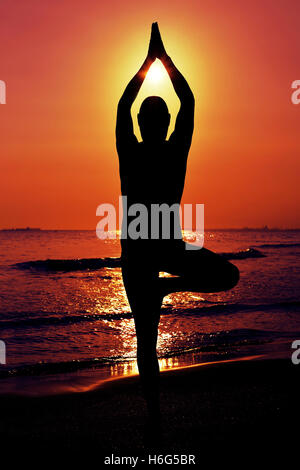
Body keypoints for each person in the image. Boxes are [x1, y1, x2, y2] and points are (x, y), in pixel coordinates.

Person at [116, 22, 239, 441]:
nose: (162, 119)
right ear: (164, 122)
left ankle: (154, 417)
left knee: (148, 342)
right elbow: (187, 98)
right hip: (155, 253)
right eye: (161, 115)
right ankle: (154, 417)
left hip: (148, 253)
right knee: (148, 340)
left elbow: (123, 105)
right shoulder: (171, 151)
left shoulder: (135, 150)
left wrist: (147, 63)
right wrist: (162, 60)